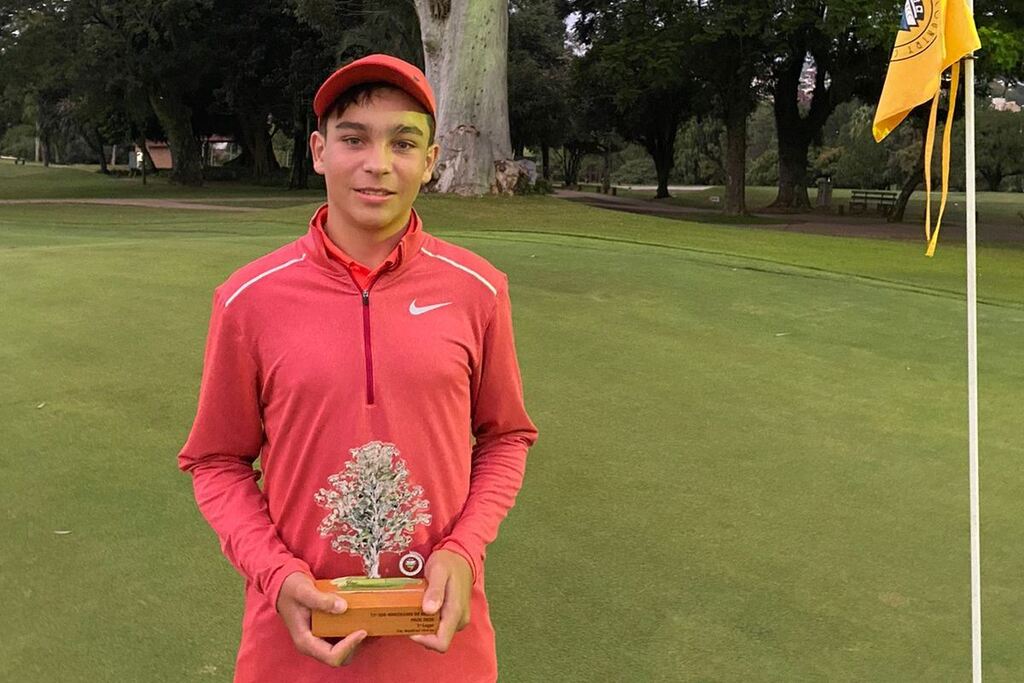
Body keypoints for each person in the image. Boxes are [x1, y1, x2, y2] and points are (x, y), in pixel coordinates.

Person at [178, 54, 538, 681]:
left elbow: (506, 436)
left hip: (441, 647)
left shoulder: (479, 289)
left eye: (403, 142)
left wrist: (464, 551)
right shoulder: (248, 297)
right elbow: (215, 460)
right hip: (291, 646)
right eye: (353, 139)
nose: (378, 164)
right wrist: (277, 573)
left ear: (430, 161)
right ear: (317, 151)